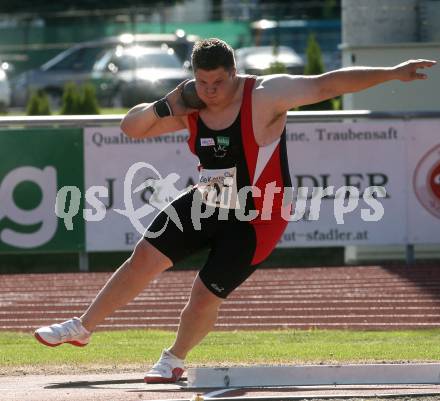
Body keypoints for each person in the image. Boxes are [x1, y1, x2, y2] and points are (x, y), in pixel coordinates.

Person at [34, 38, 436, 383]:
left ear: (234, 72)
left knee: (205, 293)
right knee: (144, 257)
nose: (209, 91)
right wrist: (167, 104)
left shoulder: (265, 95)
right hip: (209, 201)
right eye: (202, 82)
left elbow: (325, 83)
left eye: (218, 82)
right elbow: (132, 128)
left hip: (260, 216)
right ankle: (82, 327)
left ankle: (172, 359)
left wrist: (393, 71)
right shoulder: (190, 102)